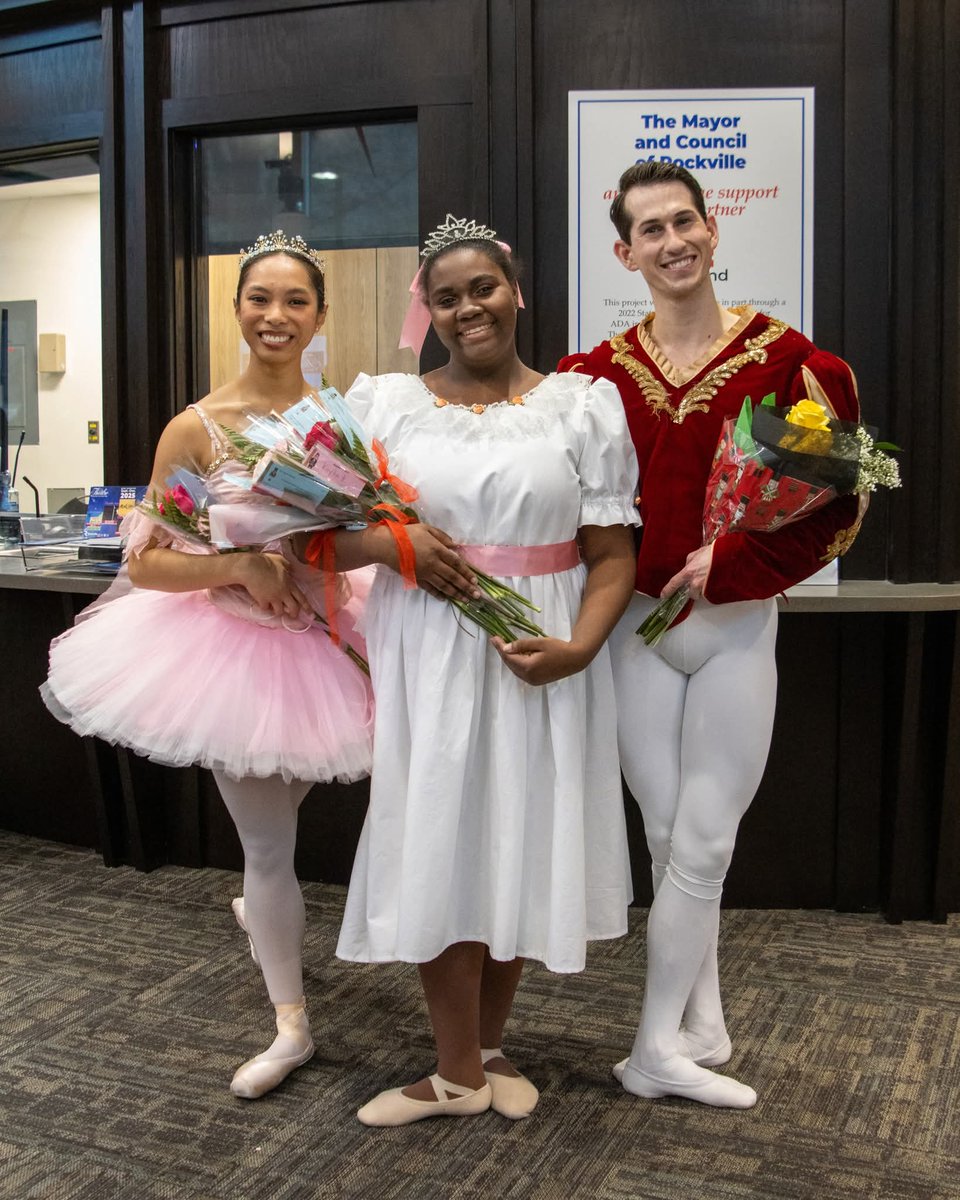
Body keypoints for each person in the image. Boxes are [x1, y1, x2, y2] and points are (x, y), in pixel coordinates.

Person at [559, 161, 865, 1109]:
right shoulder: (594, 376)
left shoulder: (797, 366)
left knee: (703, 843)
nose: (672, 242)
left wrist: (731, 564)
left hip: (735, 631)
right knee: (667, 836)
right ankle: (706, 1019)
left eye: (683, 221)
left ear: (714, 226)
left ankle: (652, 1051)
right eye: (649, 230)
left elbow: (836, 510)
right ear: (625, 252)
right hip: (635, 639)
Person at [41, 232, 374, 1100]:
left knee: (308, 798)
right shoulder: (196, 428)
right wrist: (238, 565)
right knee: (270, 845)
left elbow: (369, 524)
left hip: (336, 634)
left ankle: (261, 917)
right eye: (260, 299)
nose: (276, 316)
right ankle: (291, 1022)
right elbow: (146, 564)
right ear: (237, 311)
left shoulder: (337, 422)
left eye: (295, 301)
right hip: (234, 656)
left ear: (319, 317)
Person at [327, 214, 640, 1126]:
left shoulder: (582, 405)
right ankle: (457, 1072)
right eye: (448, 295)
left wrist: (579, 648)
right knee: (441, 832)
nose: (469, 308)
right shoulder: (384, 403)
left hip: (539, 652)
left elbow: (612, 554)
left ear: (516, 292)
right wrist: (394, 542)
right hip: (430, 649)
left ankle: (488, 1048)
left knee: (518, 833)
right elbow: (315, 532)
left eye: (484, 288)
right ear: (426, 308)